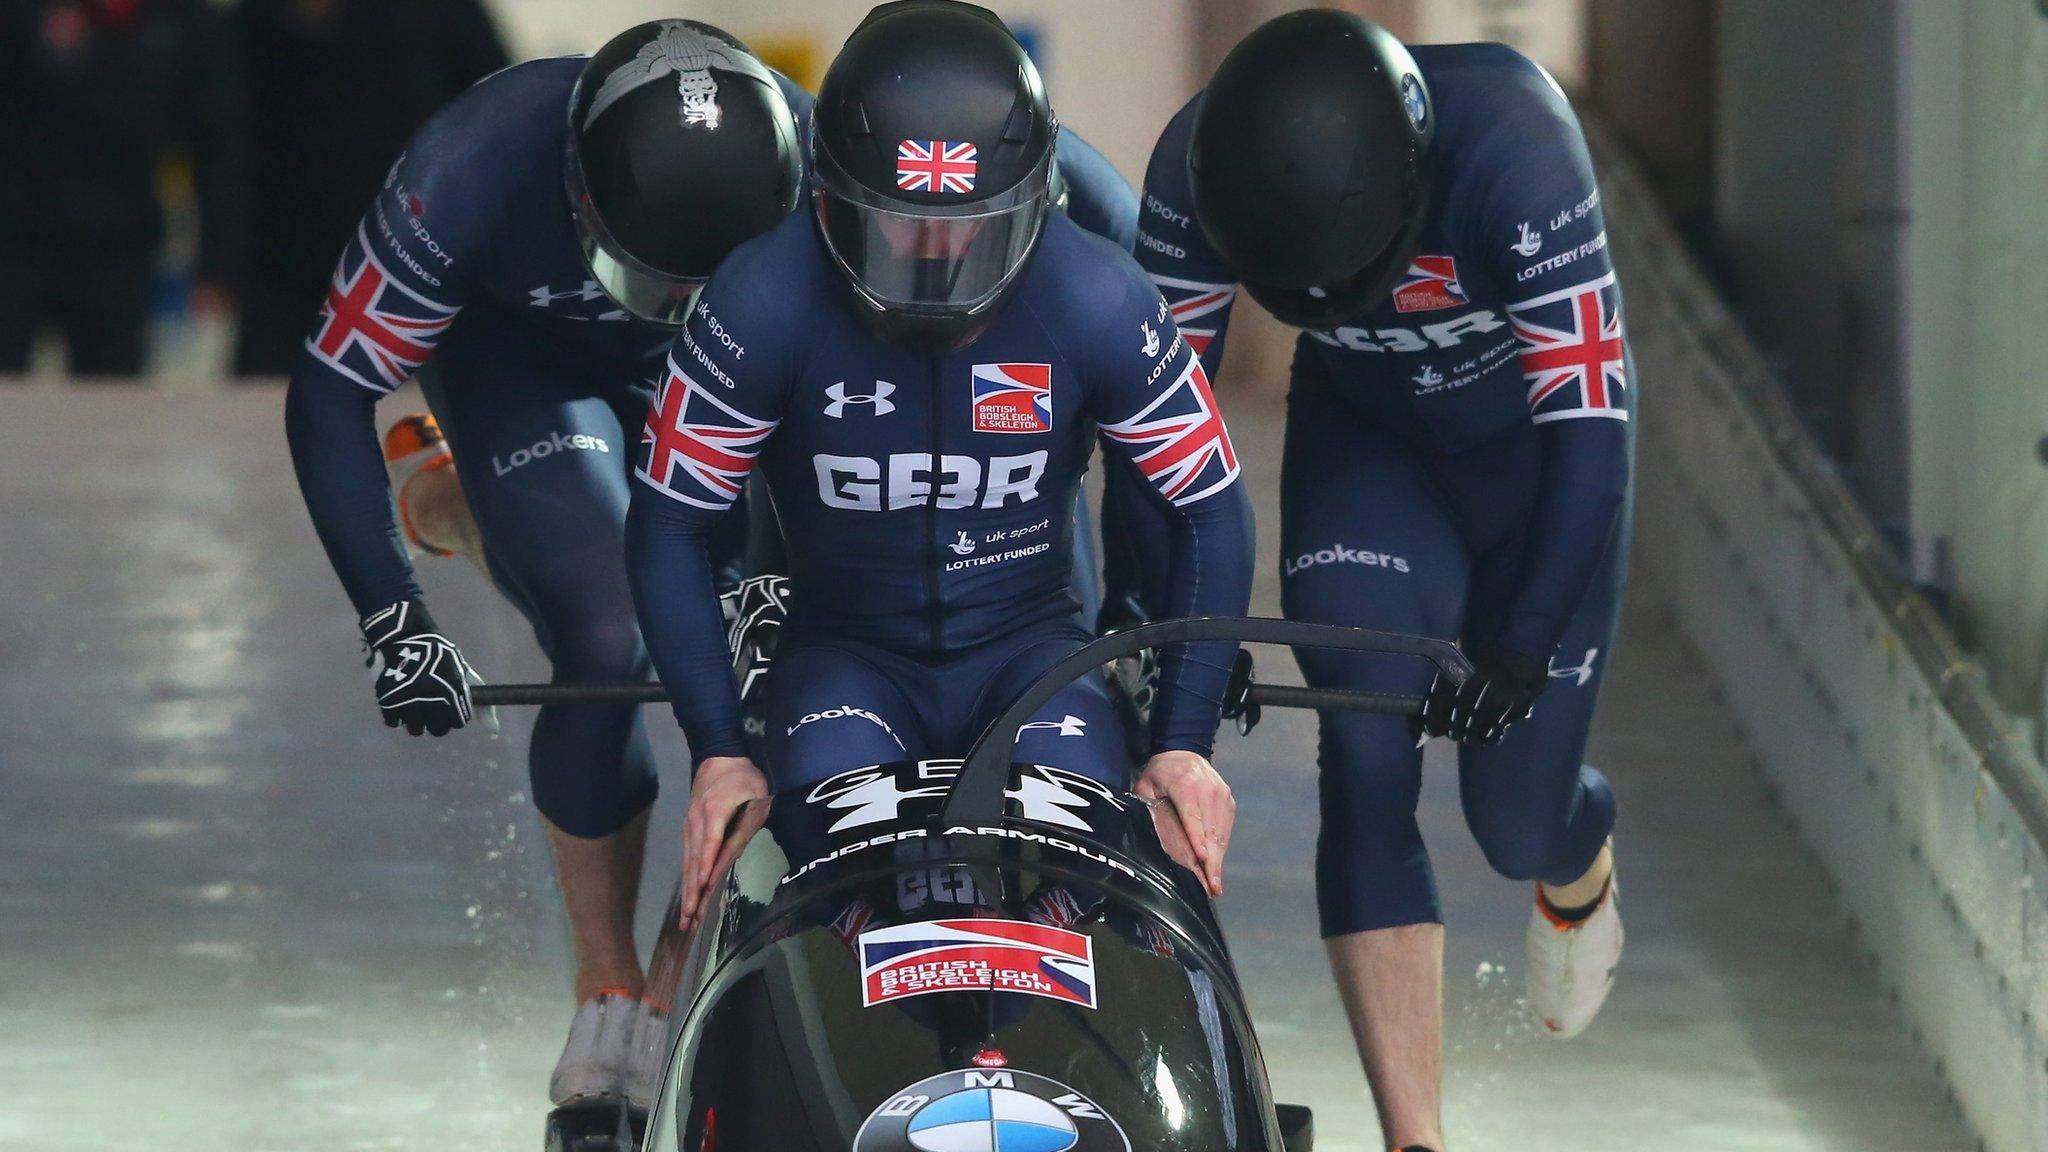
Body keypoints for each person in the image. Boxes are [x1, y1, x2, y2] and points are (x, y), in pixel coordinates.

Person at [281, 15, 1141, 1110]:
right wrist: (389, 615)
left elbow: (1090, 206)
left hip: (752, 375)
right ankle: (608, 989)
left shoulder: (839, 146)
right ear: (575, 205)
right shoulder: (465, 175)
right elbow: (329, 385)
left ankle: (681, 981)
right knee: (604, 632)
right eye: (659, 281)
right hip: (533, 370)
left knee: (786, 637)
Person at [623, 0, 1253, 947]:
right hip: (845, 659)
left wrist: (1181, 745)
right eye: (898, 227)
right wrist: (717, 750)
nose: (933, 260)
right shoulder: (758, 302)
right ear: (830, 204)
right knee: (843, 889)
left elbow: (1207, 508)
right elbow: (670, 520)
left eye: (970, 231)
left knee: (1077, 881)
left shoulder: (1098, 298)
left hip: (1035, 655)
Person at [1112, 13, 1631, 1151]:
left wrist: (1523, 639)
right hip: (1370, 456)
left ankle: (1576, 855)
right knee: (1360, 757)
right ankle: (1414, 1138)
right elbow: (1151, 427)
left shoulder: (1514, 148)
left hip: (1534, 474)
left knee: (1513, 819)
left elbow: (1593, 430)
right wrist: (1173, 616)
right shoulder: (1193, 169)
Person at [231, 0, 510, 377]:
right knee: (271, 394)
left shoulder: (438, 14)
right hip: (283, 253)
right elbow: (230, 135)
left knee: (412, 401)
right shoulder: (261, 17)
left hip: (411, 248)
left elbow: (495, 114)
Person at [0, 0, 247, 377]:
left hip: (119, 246)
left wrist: (219, 263)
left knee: (109, 402)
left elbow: (218, 144)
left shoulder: (178, 23)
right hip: (16, 238)